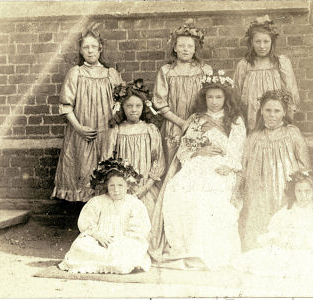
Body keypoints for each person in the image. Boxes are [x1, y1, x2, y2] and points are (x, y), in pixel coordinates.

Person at [149, 71, 246, 270]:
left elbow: (239, 150)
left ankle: (209, 251)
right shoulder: (196, 119)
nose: (214, 101)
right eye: (210, 97)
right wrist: (200, 150)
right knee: (180, 192)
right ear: (204, 98)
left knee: (210, 199)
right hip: (197, 164)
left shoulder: (235, 120)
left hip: (223, 166)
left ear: (226, 98)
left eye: (219, 97)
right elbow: (184, 150)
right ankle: (189, 249)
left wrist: (230, 167)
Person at [52, 28, 123, 202]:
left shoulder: (110, 74)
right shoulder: (76, 73)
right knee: (84, 169)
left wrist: (114, 119)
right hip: (83, 131)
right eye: (86, 47)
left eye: (93, 47)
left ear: (100, 49)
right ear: (81, 50)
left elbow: (121, 101)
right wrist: (79, 128)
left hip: (106, 130)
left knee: (106, 168)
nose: (90, 51)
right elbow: (66, 106)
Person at [239, 90, 311, 251]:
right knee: (258, 213)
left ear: (284, 113)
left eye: (277, 111)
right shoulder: (254, 136)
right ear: (261, 111)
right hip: (258, 186)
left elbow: (304, 163)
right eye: (268, 110)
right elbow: (243, 165)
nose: (272, 115)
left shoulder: (292, 133)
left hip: (284, 184)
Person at [233, 171, 313, 279]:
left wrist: (302, 240)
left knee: (302, 261)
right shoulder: (290, 208)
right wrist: (284, 238)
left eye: (307, 191)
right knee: (270, 256)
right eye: (299, 191)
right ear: (294, 192)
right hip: (290, 245)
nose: (303, 195)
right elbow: (277, 229)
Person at [58, 157, 151, 274]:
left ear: (128, 185)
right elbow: (87, 223)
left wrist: (122, 240)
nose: (116, 190)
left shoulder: (134, 204)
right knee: (80, 245)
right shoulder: (97, 201)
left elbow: (139, 228)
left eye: (120, 185)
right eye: (112, 186)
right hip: (100, 240)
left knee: (129, 249)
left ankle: (116, 260)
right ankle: (106, 261)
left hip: (124, 240)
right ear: (106, 186)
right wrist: (97, 235)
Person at [152, 19, 212, 166]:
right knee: (173, 160)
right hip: (174, 124)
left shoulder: (204, 70)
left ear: (194, 49)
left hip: (199, 124)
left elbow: (211, 99)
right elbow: (160, 103)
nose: (185, 49)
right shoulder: (167, 71)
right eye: (181, 45)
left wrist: (196, 123)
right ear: (175, 48)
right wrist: (181, 123)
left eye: (189, 46)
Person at [104, 79, 165, 221]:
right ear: (121, 107)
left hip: (145, 186)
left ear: (144, 107)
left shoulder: (150, 129)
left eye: (138, 105)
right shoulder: (116, 130)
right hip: (121, 187)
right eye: (129, 106)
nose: (134, 109)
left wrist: (146, 187)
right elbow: (107, 160)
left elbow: (158, 161)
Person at [234, 15, 300, 132]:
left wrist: (289, 112)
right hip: (252, 111)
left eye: (266, 41)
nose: (262, 46)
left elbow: (290, 89)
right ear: (251, 43)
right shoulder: (244, 64)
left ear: (272, 42)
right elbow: (237, 92)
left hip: (274, 110)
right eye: (257, 42)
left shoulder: (281, 63)